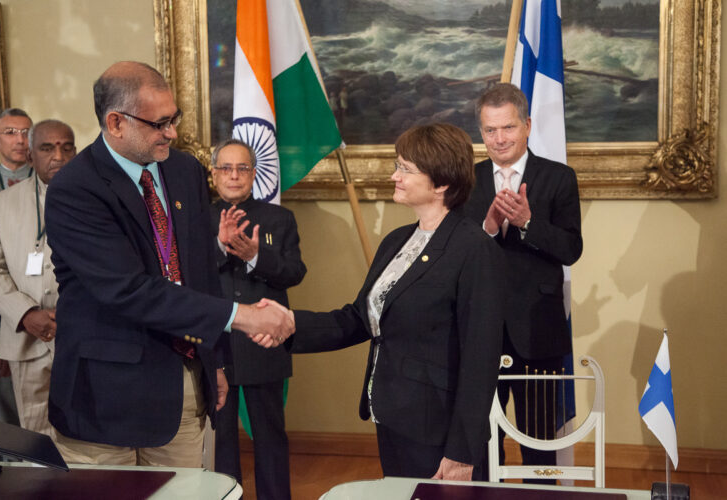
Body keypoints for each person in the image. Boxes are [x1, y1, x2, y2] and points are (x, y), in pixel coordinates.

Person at [43, 61, 293, 467]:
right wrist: (242, 316)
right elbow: (129, 289)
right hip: (106, 400)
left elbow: (199, 273)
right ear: (116, 122)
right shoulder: (76, 188)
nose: (172, 132)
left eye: (173, 118)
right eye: (160, 123)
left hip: (183, 385)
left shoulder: (184, 170)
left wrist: (217, 360)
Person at [256, 123, 506, 480]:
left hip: (438, 427)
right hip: (391, 413)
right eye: (397, 166)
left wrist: (462, 453)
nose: (395, 176)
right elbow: (360, 319)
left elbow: (480, 361)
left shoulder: (474, 249)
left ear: (442, 182)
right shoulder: (396, 242)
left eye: (405, 168)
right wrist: (292, 323)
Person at [462, 83, 583, 476]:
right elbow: (458, 250)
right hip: (478, 328)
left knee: (539, 445)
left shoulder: (559, 178)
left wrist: (527, 223)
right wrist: (490, 226)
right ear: (481, 132)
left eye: (508, 128)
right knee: (480, 442)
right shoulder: (468, 180)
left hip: (537, 330)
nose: (499, 139)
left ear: (527, 125)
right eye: (490, 130)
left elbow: (571, 249)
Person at [210, 139, 306, 499]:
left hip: (263, 344)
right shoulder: (197, 218)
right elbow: (186, 278)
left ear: (254, 173)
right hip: (215, 345)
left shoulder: (279, 219)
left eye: (242, 168)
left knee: (270, 437)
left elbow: (295, 272)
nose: (234, 176)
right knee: (220, 443)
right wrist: (221, 247)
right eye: (226, 168)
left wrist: (255, 257)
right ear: (214, 173)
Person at [0, 120, 76, 438]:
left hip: (84, 336)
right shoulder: (1, 204)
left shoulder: (99, 200)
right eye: (47, 148)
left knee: (89, 438)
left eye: (66, 147)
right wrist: (24, 314)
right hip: (27, 339)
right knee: (38, 437)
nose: (58, 156)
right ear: (31, 155)